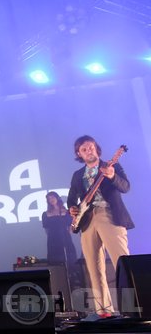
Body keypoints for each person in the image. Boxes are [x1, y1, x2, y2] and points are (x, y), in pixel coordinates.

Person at [67, 135, 133, 317]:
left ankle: (132, 308)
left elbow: (125, 186)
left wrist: (112, 176)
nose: (89, 150)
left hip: (109, 214)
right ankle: (104, 311)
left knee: (122, 262)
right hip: (87, 219)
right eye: (84, 149)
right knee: (94, 267)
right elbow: (71, 199)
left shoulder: (112, 165)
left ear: (96, 148)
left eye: (91, 147)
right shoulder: (77, 175)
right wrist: (72, 209)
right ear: (79, 154)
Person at [42, 192, 80, 287]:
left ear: (57, 198)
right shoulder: (46, 214)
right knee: (56, 264)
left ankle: (72, 284)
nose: (51, 200)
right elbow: (46, 230)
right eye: (49, 198)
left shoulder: (66, 212)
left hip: (66, 239)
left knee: (70, 263)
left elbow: (71, 226)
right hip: (53, 241)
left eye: (52, 197)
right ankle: (59, 284)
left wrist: (68, 231)